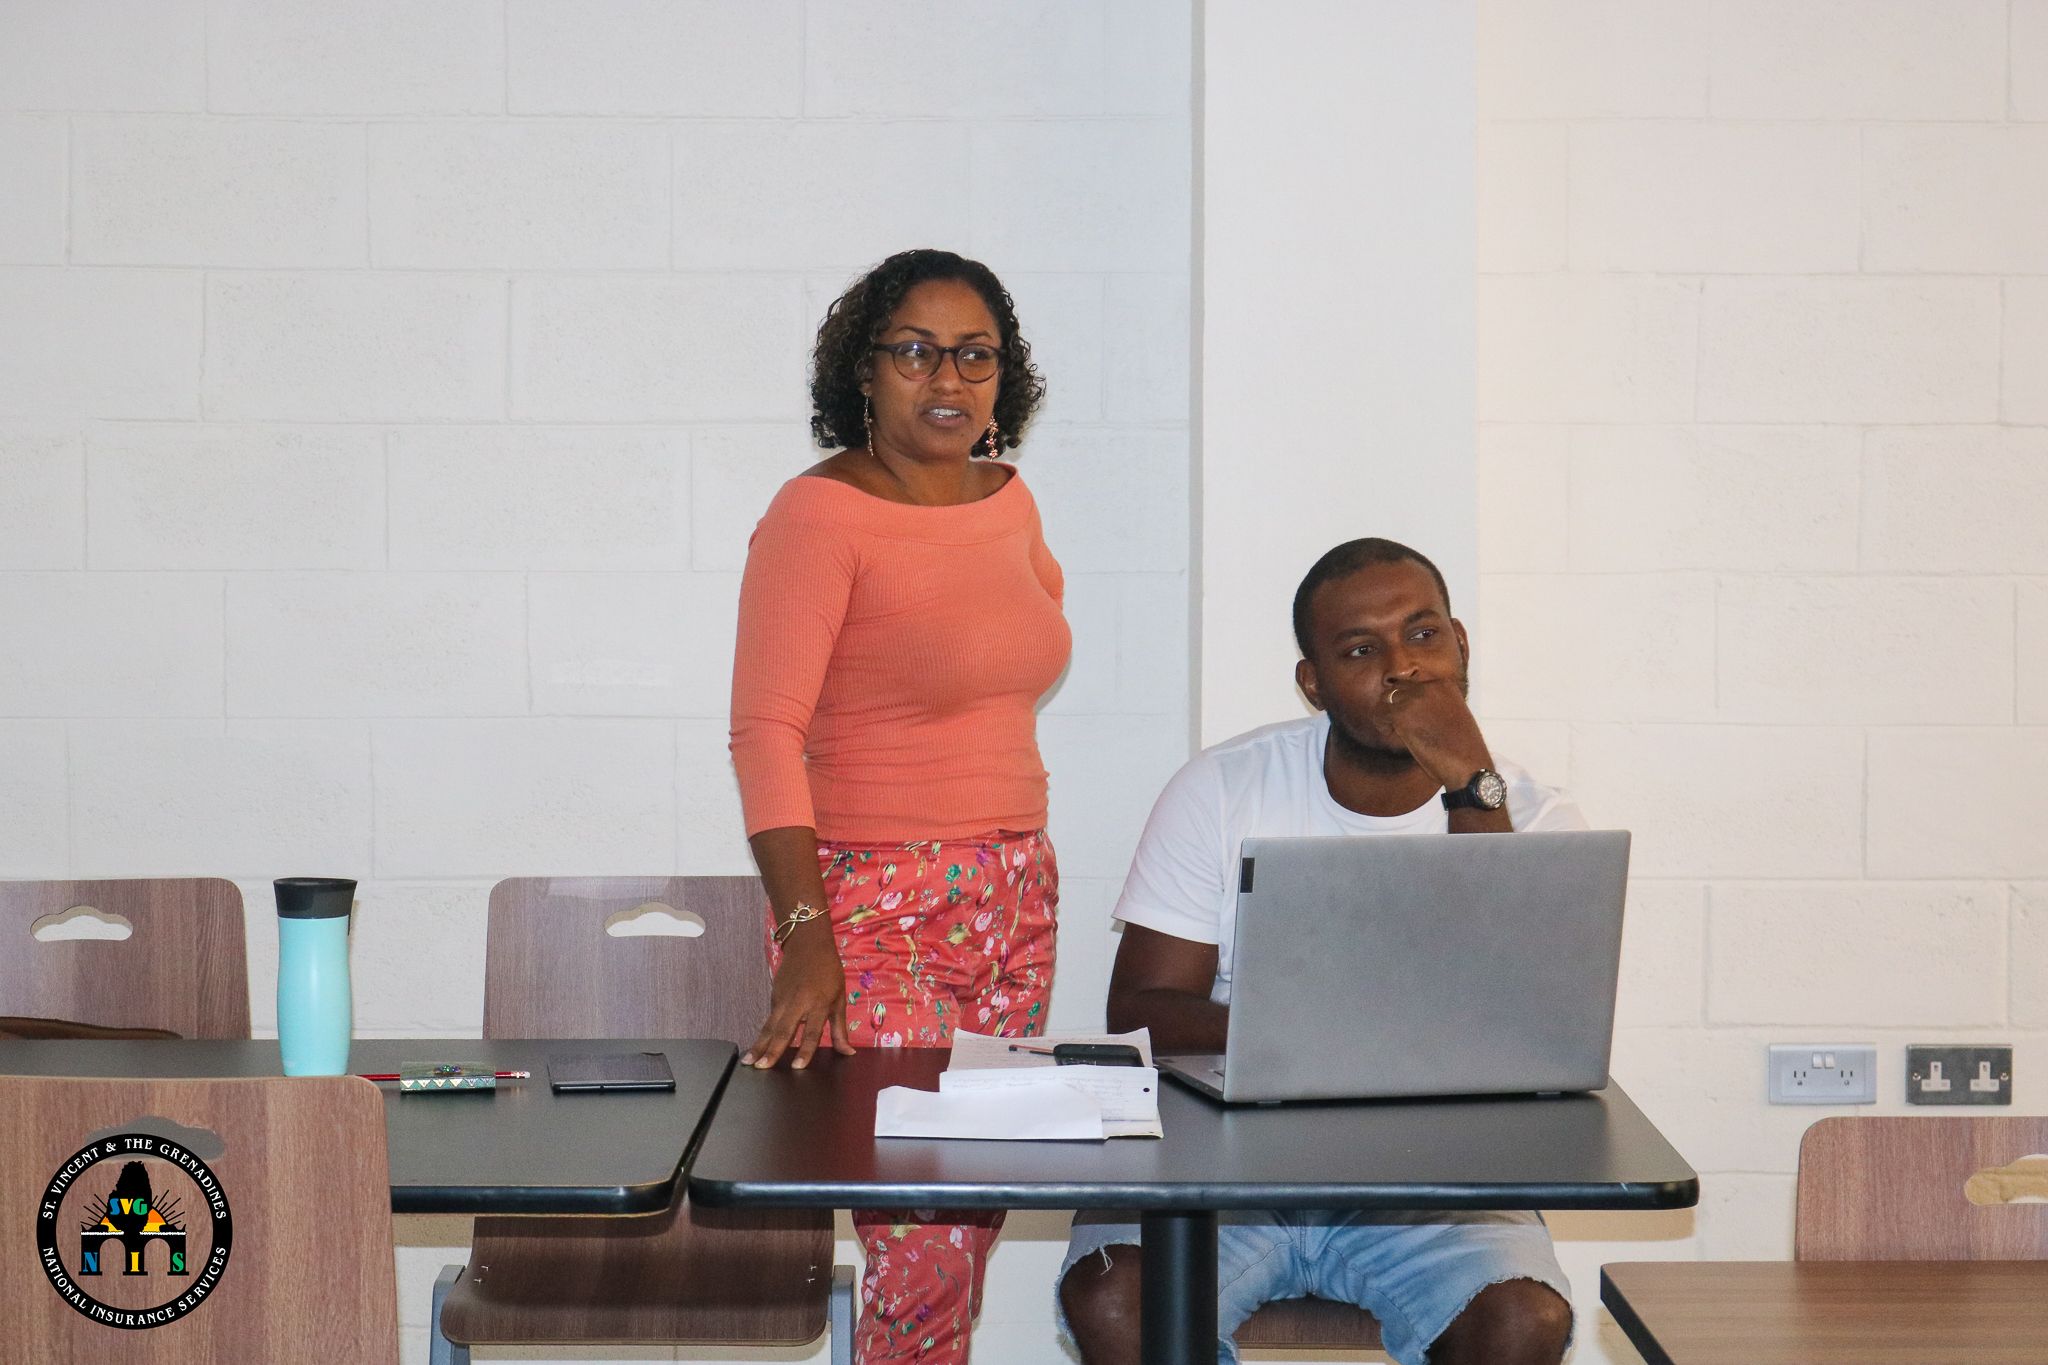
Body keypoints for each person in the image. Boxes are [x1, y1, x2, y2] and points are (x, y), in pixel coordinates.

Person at [1056, 537, 1580, 1365]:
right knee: (1114, 1296)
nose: (1403, 669)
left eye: (1424, 635)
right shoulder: (1223, 788)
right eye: (1362, 651)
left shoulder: (1537, 819)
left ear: (1461, 644)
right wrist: (1333, 1040)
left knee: (1523, 1319)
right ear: (1314, 682)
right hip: (1224, 1172)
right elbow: (1142, 1010)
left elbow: (1522, 1020)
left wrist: (1469, 781)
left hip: (1434, 1180)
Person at [728, 247, 1071, 1364]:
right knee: (923, 1233)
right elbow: (764, 732)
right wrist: (804, 934)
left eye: (975, 354)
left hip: (1015, 902)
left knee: (963, 1222)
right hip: (874, 909)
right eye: (915, 350)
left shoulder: (1009, 500)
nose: (948, 377)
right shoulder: (818, 516)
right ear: (865, 371)